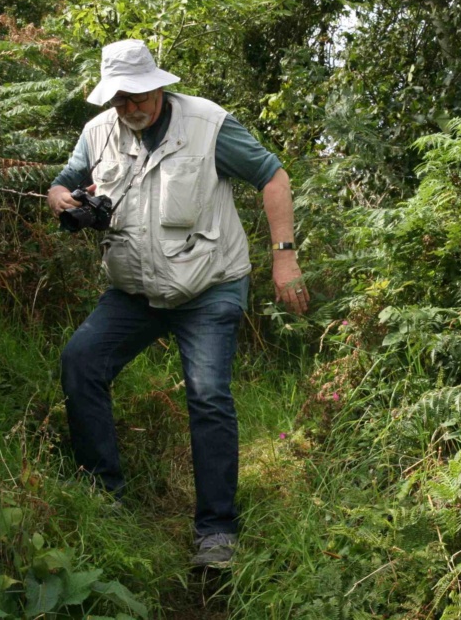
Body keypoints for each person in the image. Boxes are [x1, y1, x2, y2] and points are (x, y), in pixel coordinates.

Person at [47, 39, 309, 567]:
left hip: (210, 286)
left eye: (140, 95)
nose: (131, 108)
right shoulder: (99, 131)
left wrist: (284, 257)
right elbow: (64, 182)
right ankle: (105, 499)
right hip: (134, 291)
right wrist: (62, 198)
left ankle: (216, 532)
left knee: (208, 393)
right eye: (120, 99)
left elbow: (273, 176)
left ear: (160, 85)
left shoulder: (209, 125)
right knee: (81, 362)